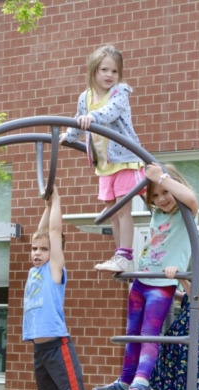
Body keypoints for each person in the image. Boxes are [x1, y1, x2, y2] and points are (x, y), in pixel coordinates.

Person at [93, 163, 198, 390]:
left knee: (149, 333)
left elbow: (191, 198)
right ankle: (126, 379)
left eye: (165, 192)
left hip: (162, 282)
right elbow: (131, 194)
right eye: (155, 195)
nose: (161, 199)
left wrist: (161, 177)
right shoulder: (158, 213)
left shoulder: (186, 212)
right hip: (141, 280)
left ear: (175, 186)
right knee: (133, 333)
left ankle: (142, 381)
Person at [23, 188, 117, 390]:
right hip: (40, 347)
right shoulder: (33, 272)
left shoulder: (54, 270)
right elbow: (42, 231)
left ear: (55, 252)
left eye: (44, 249)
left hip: (56, 344)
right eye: (34, 249)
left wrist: (57, 201)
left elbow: (53, 231)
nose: (38, 253)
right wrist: (47, 205)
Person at [62, 45, 144, 273]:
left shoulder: (120, 92)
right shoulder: (85, 97)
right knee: (112, 212)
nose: (110, 75)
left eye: (114, 71)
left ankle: (125, 255)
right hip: (104, 164)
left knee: (122, 209)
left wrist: (92, 117)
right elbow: (79, 120)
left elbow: (110, 112)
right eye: (104, 70)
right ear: (93, 71)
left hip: (125, 158)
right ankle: (120, 256)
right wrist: (69, 136)